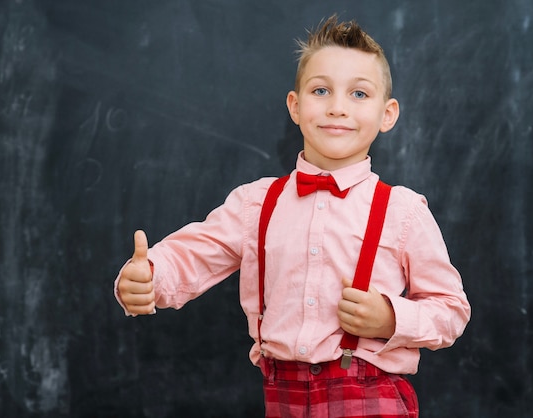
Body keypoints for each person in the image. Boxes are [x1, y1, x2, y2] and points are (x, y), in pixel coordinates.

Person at [114, 15, 471, 418]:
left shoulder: (403, 211)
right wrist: (148, 276)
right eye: (321, 90)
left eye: (358, 94)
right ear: (295, 106)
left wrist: (391, 318)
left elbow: (451, 309)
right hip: (281, 397)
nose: (337, 108)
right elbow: (192, 255)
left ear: (387, 114)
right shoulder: (256, 203)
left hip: (372, 398)